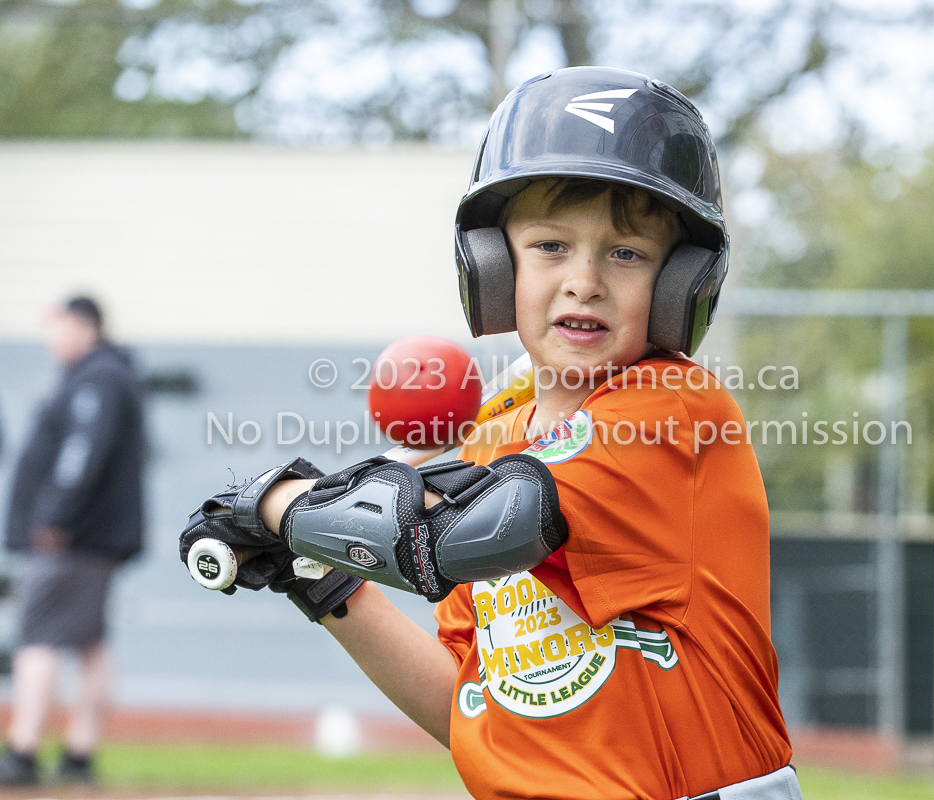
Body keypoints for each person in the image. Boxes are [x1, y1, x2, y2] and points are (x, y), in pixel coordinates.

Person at [180, 67, 799, 799]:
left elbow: (466, 535)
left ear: (681, 284)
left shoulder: (672, 408)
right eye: (549, 246)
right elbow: (472, 705)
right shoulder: (486, 450)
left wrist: (281, 507)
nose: (585, 281)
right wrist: (319, 577)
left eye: (626, 253)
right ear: (493, 265)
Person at [2, 297, 145, 785]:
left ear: (85, 327)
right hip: (88, 538)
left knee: (37, 638)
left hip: (69, 539)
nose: (51, 338)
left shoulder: (97, 378)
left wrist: (54, 516)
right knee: (90, 642)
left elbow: (82, 452)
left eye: (58, 326)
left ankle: (22, 753)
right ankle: (79, 756)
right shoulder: (99, 375)